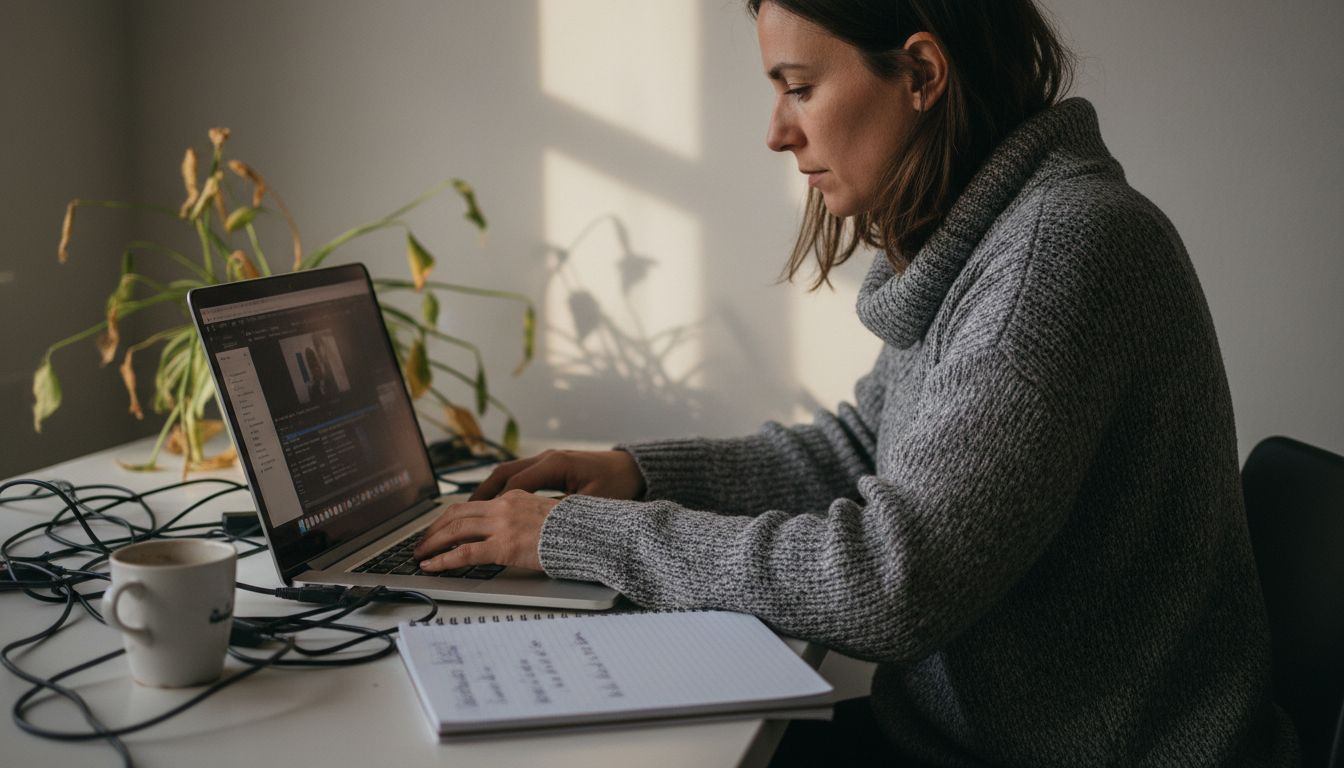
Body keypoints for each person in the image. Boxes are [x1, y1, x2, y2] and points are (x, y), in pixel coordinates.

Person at [414, 1, 1298, 764]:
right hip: (963, 743)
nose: (777, 130)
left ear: (919, 71)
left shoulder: (1058, 251)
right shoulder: (991, 234)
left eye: (799, 87)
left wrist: (575, 537)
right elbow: (861, 450)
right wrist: (639, 473)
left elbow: (891, 583)